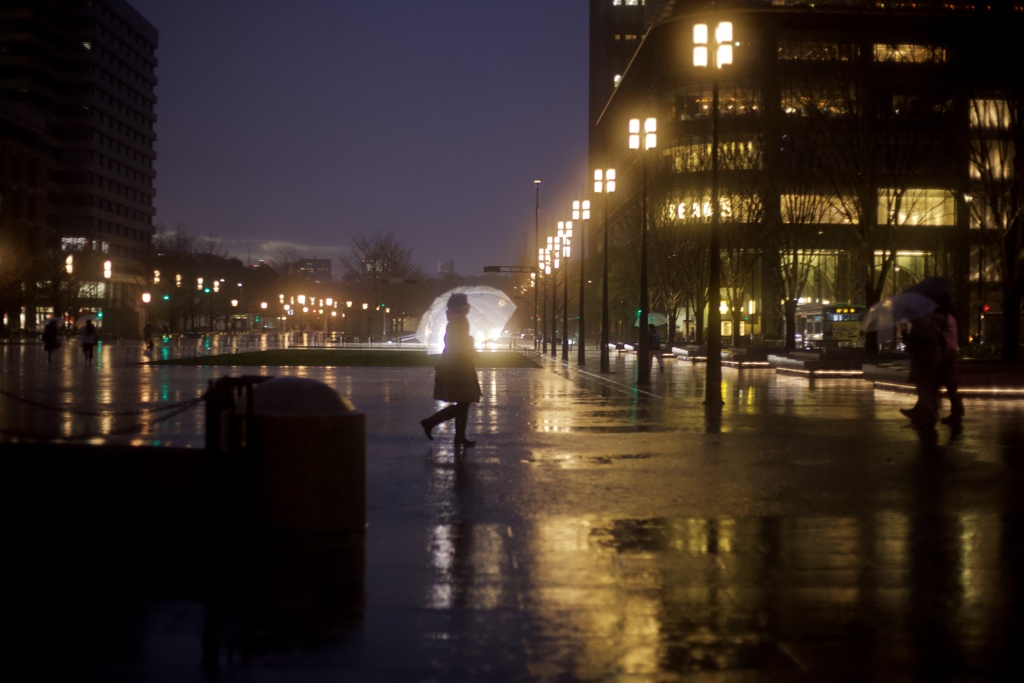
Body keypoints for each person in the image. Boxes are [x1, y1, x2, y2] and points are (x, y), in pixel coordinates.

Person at [421, 293, 481, 448]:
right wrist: (470, 345)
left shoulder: (455, 320)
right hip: (459, 364)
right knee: (464, 401)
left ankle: (459, 436)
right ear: (460, 306)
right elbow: (459, 344)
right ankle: (431, 422)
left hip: (455, 363)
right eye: (466, 304)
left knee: (464, 402)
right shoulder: (459, 321)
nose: (468, 307)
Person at [899, 310, 946, 429]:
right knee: (927, 389)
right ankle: (921, 413)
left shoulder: (917, 329)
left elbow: (910, 347)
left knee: (923, 389)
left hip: (922, 362)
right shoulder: (931, 327)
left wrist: (904, 333)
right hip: (932, 361)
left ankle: (928, 414)